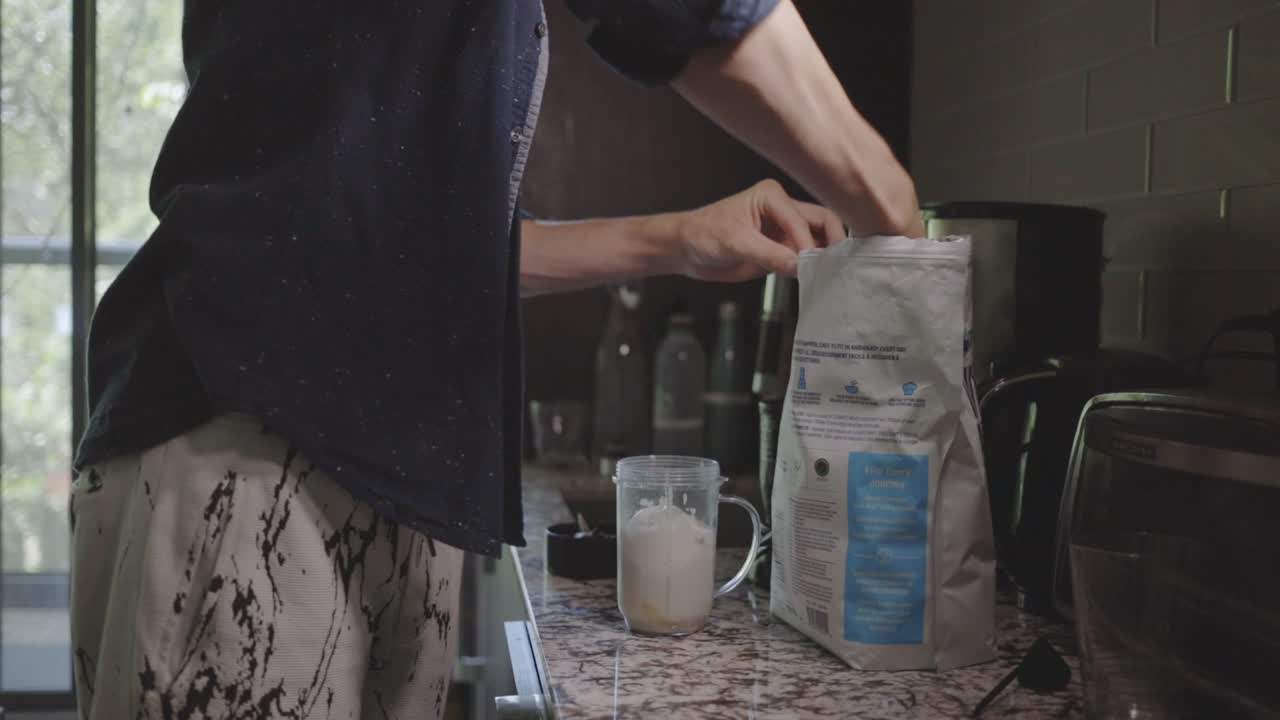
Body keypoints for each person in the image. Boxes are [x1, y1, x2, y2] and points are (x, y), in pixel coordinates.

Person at [69, 0, 923, 717]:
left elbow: (389, 241)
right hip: (243, 438)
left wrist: (681, 239)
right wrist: (882, 192)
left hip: (384, 466)